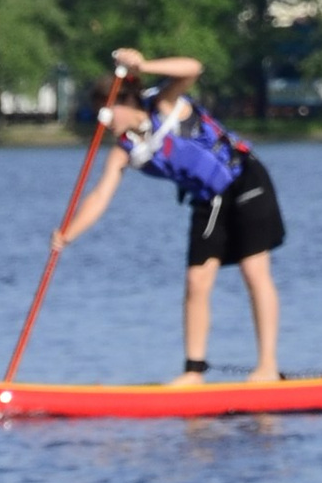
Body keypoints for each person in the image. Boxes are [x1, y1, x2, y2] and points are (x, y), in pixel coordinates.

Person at [51, 51, 287, 382]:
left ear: (123, 103)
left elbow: (194, 67)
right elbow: (101, 195)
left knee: (254, 270)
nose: (102, 123)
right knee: (196, 281)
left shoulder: (162, 104)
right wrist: (67, 234)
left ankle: (266, 367)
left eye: (104, 113)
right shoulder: (124, 149)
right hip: (209, 199)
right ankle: (193, 372)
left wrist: (142, 66)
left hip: (244, 180)